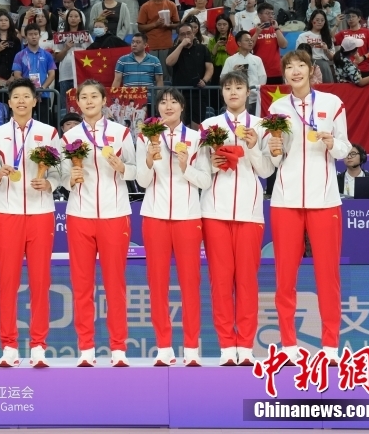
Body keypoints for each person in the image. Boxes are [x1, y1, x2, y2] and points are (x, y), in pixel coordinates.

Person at [265, 49, 351, 365]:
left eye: (301, 65)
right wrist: (273, 148)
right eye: (289, 67)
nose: (295, 71)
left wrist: (333, 144)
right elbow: (273, 159)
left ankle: (330, 346)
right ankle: (288, 345)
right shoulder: (276, 107)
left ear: (312, 70)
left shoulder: (332, 104)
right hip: (286, 200)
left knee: (327, 275)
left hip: (325, 199)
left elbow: (345, 148)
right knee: (285, 277)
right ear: (285, 74)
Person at [196, 71, 274, 366]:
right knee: (220, 281)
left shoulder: (262, 125)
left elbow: (266, 170)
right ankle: (227, 346)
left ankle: (246, 345)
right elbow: (202, 174)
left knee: (246, 282)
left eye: (238, 87)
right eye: (227, 87)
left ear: (248, 92)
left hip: (250, 212)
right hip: (214, 211)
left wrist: (252, 145)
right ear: (222, 93)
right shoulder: (209, 126)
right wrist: (215, 165)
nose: (232, 92)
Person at [60, 80, 137, 367]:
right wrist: (71, 179)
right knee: (81, 285)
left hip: (115, 215)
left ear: (104, 100)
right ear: (77, 103)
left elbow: (138, 172)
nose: (89, 101)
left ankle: (118, 349)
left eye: (94, 96)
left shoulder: (121, 133)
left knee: (115, 284)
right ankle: (86, 349)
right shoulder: (68, 138)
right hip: (80, 213)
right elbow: (64, 177)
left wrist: (122, 168)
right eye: (84, 97)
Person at [0, 78, 61, 368]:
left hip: (41, 213)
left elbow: (60, 173)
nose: (20, 101)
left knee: (41, 281)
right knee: (7, 282)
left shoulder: (49, 132)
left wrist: (50, 183)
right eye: (15, 96)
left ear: (34, 101)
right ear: (9, 102)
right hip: (8, 213)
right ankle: (8, 346)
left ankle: (39, 345)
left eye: (25, 97)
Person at [135, 88, 210, 366]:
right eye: (163, 102)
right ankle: (164, 347)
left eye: (173, 102)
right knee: (157, 284)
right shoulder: (147, 137)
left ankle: (191, 347)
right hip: (154, 217)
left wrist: (185, 166)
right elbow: (142, 182)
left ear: (182, 107)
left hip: (188, 217)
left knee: (190, 283)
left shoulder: (196, 139)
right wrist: (148, 160)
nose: (168, 107)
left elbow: (205, 181)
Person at [137, 0, 180, 82]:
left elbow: (178, 24)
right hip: (151, 45)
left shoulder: (171, 5)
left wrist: (169, 25)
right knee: (150, 74)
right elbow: (140, 27)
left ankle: (165, 96)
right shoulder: (145, 6)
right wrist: (155, 24)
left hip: (167, 44)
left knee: (166, 73)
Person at [250, 3, 289, 84]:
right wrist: (257, 33)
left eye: (272, 13)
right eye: (267, 13)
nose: (271, 16)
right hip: (259, 70)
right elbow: (249, 48)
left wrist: (277, 28)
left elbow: (284, 45)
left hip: (276, 70)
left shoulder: (277, 30)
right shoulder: (253, 31)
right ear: (259, 15)